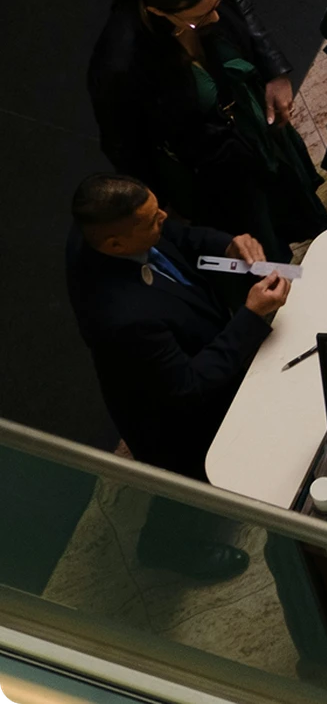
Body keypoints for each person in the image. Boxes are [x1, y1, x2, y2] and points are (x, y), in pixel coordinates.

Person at [65, 174, 291, 581]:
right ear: (115, 244)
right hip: (168, 414)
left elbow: (179, 236)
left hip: (183, 349)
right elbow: (187, 386)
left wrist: (226, 243)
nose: (163, 218)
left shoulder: (106, 228)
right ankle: (165, 547)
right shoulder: (121, 317)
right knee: (186, 485)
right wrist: (251, 317)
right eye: (152, 219)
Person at [89, 0, 327, 263]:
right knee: (258, 234)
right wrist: (161, 202)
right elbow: (123, 145)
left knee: (290, 192)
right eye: (199, 18)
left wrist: (274, 71)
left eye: (216, 3)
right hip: (211, 160)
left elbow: (241, 7)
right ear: (159, 12)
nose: (215, 20)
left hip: (249, 116)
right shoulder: (119, 62)